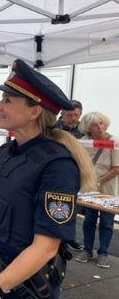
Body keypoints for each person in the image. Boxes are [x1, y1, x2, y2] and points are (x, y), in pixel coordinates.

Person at [0, 59, 95, 299]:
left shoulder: (57, 166)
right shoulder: (5, 152)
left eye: (7, 101)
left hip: (25, 287)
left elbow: (46, 248)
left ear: (34, 112)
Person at [75, 112, 119, 269]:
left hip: (107, 188)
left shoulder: (113, 141)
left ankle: (103, 253)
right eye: (95, 124)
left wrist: (98, 181)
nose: (100, 127)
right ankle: (87, 250)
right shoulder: (85, 142)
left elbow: (116, 168)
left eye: (101, 123)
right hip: (90, 188)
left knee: (107, 223)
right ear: (88, 127)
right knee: (89, 220)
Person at [54, 100, 84, 251]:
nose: (73, 118)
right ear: (62, 114)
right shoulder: (53, 129)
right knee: (56, 206)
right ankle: (54, 237)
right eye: (70, 115)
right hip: (55, 174)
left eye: (77, 115)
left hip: (74, 173)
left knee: (72, 206)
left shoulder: (82, 132)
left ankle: (68, 236)